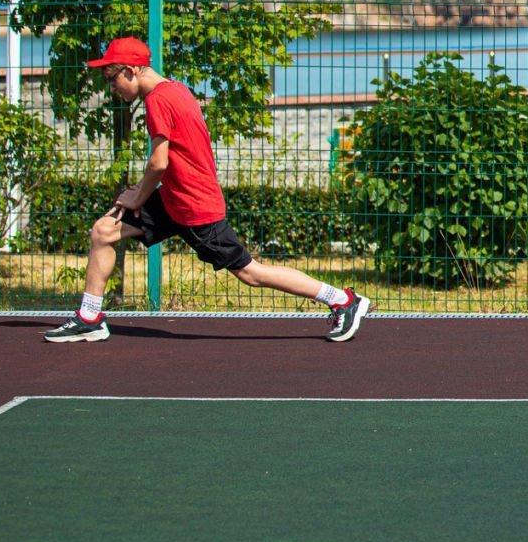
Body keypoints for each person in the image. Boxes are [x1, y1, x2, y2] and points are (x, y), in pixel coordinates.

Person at [43, 37, 371, 343]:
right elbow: (169, 161)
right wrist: (140, 194)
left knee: (251, 274)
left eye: (112, 80)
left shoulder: (158, 101)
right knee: (104, 231)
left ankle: (342, 300)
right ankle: (90, 317)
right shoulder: (174, 89)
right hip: (173, 200)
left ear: (130, 71)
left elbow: (159, 162)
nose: (111, 88)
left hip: (195, 208)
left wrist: (137, 196)